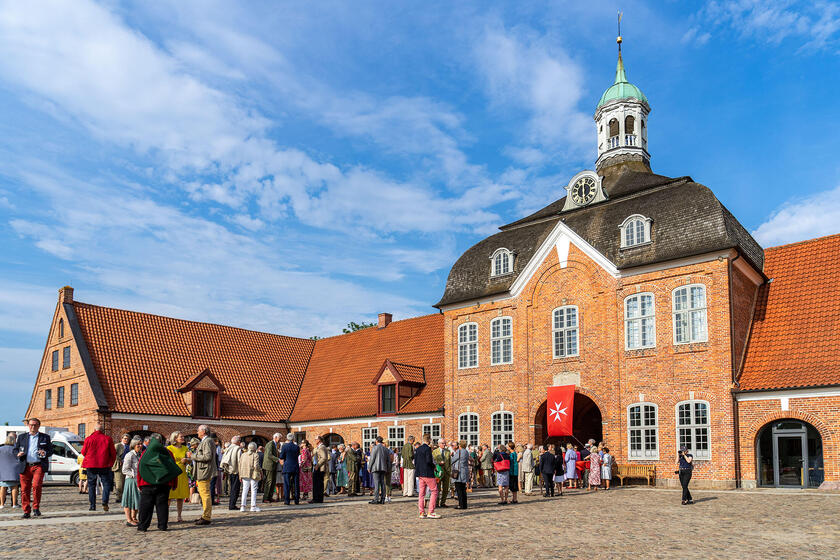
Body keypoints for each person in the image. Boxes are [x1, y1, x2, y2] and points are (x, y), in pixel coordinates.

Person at [136, 433, 181, 532]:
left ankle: (143, 526)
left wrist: (139, 483)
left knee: (145, 506)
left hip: (146, 483)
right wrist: (174, 483)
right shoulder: (168, 453)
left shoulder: (146, 452)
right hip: (164, 483)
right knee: (162, 505)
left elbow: (140, 468)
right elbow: (172, 469)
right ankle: (162, 525)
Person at [14, 417, 52, 519]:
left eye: (35, 425)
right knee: (24, 489)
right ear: (28, 426)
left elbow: (51, 450)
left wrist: (45, 453)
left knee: (36, 486)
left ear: (39, 426)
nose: (33, 427)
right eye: (31, 425)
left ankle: (36, 508)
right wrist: (18, 453)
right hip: (25, 466)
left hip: (38, 465)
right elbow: (15, 449)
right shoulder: (22, 437)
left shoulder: (45, 437)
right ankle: (26, 510)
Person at [80, 422, 117, 512]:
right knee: (106, 484)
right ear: (103, 430)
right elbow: (113, 453)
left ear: (94, 430)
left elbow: (83, 452)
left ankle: (92, 505)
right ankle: (105, 501)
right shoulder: (108, 439)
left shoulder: (88, 439)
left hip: (91, 465)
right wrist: (110, 463)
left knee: (92, 485)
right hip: (104, 464)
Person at [192, 425, 217, 525]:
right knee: (203, 494)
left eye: (198, 431)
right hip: (203, 470)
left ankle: (206, 516)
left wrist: (193, 456)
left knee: (205, 494)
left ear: (204, 431)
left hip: (204, 471)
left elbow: (207, 456)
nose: (197, 432)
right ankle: (205, 515)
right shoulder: (206, 441)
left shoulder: (207, 441)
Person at [166, 431, 190, 522]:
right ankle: (166, 515)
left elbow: (190, 460)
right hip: (172, 474)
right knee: (169, 496)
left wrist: (187, 460)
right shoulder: (169, 448)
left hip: (182, 473)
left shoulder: (185, 448)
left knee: (180, 496)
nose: (183, 438)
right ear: (175, 438)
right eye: (181, 436)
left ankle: (179, 516)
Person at [415, 433, 439, 519]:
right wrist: (434, 467)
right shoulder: (427, 449)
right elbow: (429, 461)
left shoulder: (418, 449)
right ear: (429, 440)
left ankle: (421, 512)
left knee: (421, 494)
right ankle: (431, 512)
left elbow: (416, 461)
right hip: (428, 473)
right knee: (434, 491)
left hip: (420, 474)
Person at [121, 436, 143, 526]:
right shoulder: (129, 455)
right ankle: (129, 519)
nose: (140, 445)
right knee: (129, 500)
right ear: (134, 445)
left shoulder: (140, 454)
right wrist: (134, 474)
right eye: (138, 444)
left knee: (137, 499)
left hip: (138, 480)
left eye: (141, 444)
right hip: (130, 480)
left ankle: (134, 517)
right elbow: (124, 470)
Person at [238, 442, 262, 512]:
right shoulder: (255, 455)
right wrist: (260, 470)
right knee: (254, 489)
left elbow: (240, 465)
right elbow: (256, 466)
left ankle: (242, 506)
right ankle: (253, 506)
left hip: (244, 473)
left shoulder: (243, 455)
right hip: (253, 474)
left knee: (245, 490)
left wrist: (240, 475)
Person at [220, 435, 242, 510]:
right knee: (235, 489)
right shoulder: (238, 448)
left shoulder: (228, 448)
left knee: (232, 487)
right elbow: (239, 461)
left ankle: (231, 504)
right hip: (236, 470)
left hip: (229, 470)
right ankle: (232, 505)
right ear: (238, 442)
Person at [0, 434, 22, 509]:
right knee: (14, 487)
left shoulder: (1, 448)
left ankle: (2, 504)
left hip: (3, 470)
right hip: (14, 470)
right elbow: (19, 458)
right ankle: (14, 504)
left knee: (3, 487)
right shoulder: (15, 449)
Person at [279, 433, 300, 506]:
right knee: (296, 484)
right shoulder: (297, 447)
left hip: (287, 466)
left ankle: (287, 500)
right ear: (293, 438)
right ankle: (296, 500)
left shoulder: (284, 446)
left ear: (287, 438)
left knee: (287, 484)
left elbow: (281, 456)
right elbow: (297, 455)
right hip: (295, 466)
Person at [432, 438, 451, 508]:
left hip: (446, 472)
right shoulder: (434, 452)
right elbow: (433, 461)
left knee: (446, 489)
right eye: (443, 443)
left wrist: (449, 471)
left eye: (445, 443)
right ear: (439, 444)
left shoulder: (448, 451)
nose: (444, 444)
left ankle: (443, 502)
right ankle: (436, 503)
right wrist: (438, 463)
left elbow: (449, 462)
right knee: (437, 488)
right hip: (438, 472)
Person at [262, 433, 281, 503]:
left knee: (273, 482)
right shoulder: (270, 444)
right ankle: (265, 498)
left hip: (273, 465)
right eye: (279, 438)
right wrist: (278, 459)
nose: (280, 440)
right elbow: (269, 455)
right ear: (275, 437)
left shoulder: (275, 444)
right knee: (269, 482)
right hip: (269, 465)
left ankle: (270, 497)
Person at [450, 440, 469, 510]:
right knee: (463, 489)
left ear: (460, 445)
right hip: (464, 471)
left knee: (459, 489)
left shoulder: (460, 451)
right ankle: (464, 504)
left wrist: (451, 457)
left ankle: (461, 505)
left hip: (459, 472)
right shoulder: (466, 452)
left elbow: (453, 460)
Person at [312, 436, 329, 503]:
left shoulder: (322, 447)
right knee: (317, 483)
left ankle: (317, 498)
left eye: (315, 439)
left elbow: (324, 457)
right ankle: (317, 498)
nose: (315, 440)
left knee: (318, 484)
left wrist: (318, 465)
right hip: (317, 467)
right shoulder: (319, 447)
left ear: (319, 440)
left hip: (320, 468)